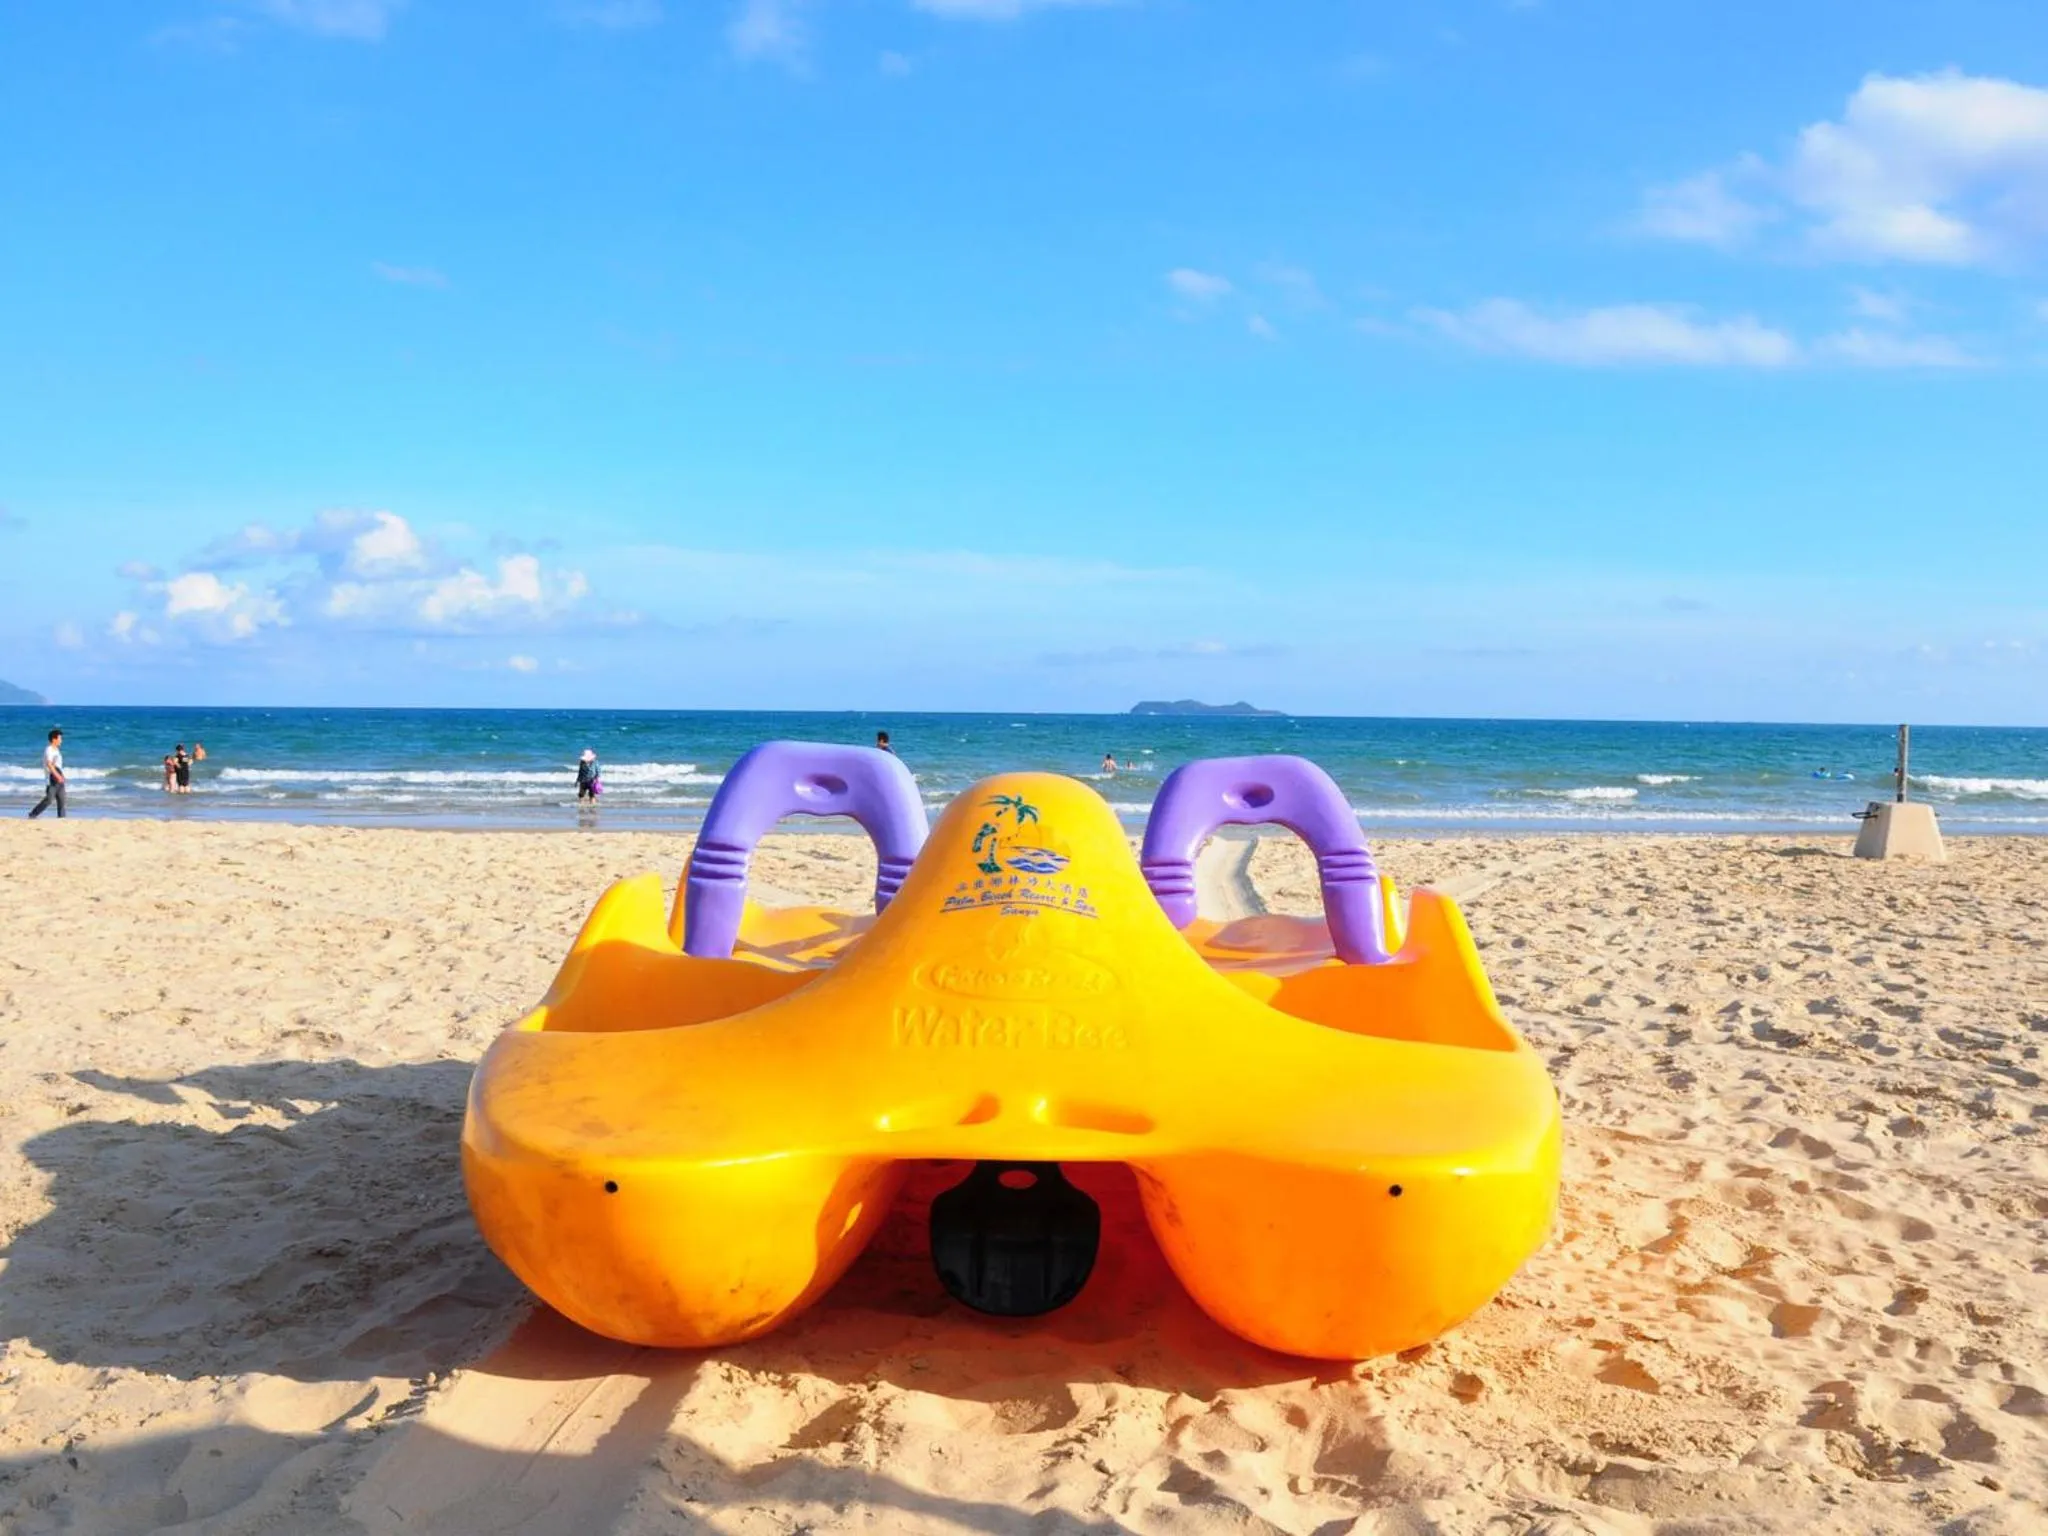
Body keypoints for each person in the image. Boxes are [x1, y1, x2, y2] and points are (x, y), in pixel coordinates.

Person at [28, 728, 66, 819]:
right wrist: (58, 776)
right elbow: (49, 764)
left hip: (59, 779)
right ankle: (33, 814)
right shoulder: (49, 749)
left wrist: (62, 777)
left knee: (62, 801)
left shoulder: (56, 750)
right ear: (54, 739)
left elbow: (57, 765)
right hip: (52, 780)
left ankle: (61, 819)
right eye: (60, 738)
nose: (61, 740)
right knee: (49, 800)